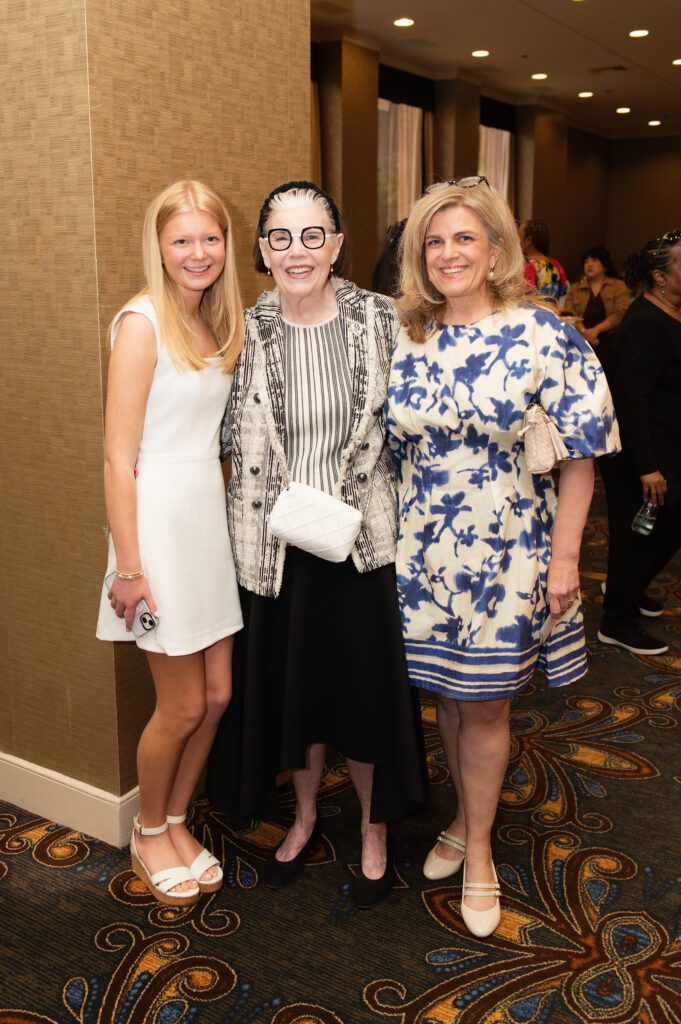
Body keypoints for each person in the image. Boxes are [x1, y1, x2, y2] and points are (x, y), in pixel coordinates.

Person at [386, 177, 618, 937]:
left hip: (508, 545)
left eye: (464, 238)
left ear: (495, 251)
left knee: (485, 702)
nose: (447, 253)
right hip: (421, 548)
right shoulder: (406, 336)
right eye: (434, 241)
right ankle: (461, 818)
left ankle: (479, 849)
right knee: (448, 698)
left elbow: (581, 457)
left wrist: (564, 560)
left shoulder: (541, 334)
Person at [206, 180, 425, 909]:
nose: (296, 251)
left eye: (311, 236)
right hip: (277, 552)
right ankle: (303, 818)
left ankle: (371, 828)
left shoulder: (381, 320)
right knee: (296, 702)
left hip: (361, 547)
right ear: (262, 251)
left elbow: (419, 422)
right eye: (280, 237)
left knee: (363, 700)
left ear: (335, 245)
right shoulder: (244, 332)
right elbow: (210, 435)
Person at [96, 180, 244, 906]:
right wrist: (129, 567)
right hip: (154, 529)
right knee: (180, 705)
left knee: (216, 697)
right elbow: (116, 458)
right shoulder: (142, 321)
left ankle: (178, 820)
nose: (197, 252)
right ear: (157, 246)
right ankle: (147, 829)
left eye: (209, 238)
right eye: (181, 239)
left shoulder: (210, 321)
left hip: (205, 523)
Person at [598, 230, 681, 656]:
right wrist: (647, 466)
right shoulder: (646, 322)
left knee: (664, 528)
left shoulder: (671, 313)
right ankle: (616, 622)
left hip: (666, 444)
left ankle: (627, 587)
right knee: (639, 536)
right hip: (640, 452)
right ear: (660, 276)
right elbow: (629, 399)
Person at [562, 246, 630, 372]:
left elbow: (621, 313)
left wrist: (596, 330)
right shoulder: (575, 288)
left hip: (609, 341)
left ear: (605, 266)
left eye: (594, 260)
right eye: (586, 261)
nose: (589, 264)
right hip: (580, 341)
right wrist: (585, 333)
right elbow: (569, 313)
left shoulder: (617, 286)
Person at [519, 218, 569, 306]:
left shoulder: (523, 265)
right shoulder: (557, 266)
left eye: (518, 237)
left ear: (528, 240)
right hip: (551, 313)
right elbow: (564, 295)